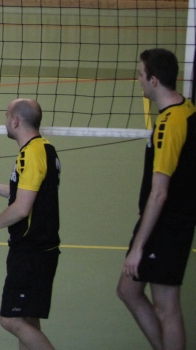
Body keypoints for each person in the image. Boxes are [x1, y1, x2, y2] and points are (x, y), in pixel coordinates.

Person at [116, 48, 195, 350]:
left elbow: (159, 192)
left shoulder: (169, 124)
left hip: (168, 225)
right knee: (128, 290)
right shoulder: (186, 107)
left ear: (154, 80)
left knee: (166, 307)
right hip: (170, 222)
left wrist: (138, 248)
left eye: (140, 75)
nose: (138, 80)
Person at [0, 99, 61, 350]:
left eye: (7, 115)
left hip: (31, 252)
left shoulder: (31, 154)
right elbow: (30, 192)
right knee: (28, 319)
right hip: (41, 249)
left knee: (11, 319)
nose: (5, 120)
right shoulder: (45, 149)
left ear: (16, 121)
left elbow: (22, 208)